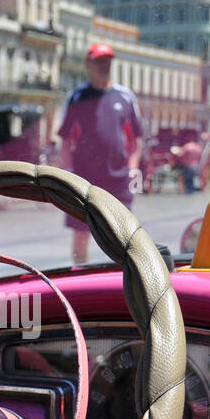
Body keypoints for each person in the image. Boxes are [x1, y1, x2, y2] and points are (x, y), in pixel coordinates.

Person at [57, 42, 143, 264]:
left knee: (122, 234)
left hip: (118, 177)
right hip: (84, 178)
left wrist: (133, 168)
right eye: (98, 61)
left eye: (107, 61)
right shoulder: (77, 96)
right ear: (88, 64)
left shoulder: (125, 96)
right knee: (81, 234)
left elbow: (136, 139)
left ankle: (120, 282)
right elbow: (65, 139)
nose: (103, 66)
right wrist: (68, 172)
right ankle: (80, 282)